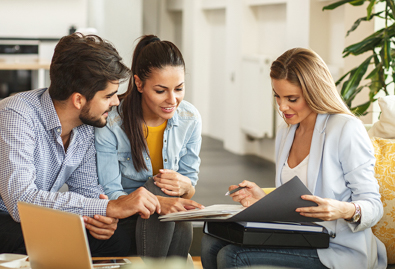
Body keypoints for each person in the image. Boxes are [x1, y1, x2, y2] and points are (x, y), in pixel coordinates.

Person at [201, 48, 387, 269]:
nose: (282, 107)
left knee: (232, 256)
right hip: (300, 236)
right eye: (277, 96)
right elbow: (297, 197)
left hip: (337, 247)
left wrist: (343, 210)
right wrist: (263, 199)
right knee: (210, 242)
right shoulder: (287, 131)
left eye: (292, 98)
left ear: (314, 92)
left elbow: (374, 206)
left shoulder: (345, 129)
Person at [0, 33, 160, 257]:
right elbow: (21, 202)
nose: (115, 102)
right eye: (108, 96)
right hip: (7, 218)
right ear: (78, 100)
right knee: (39, 236)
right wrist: (108, 207)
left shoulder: (85, 126)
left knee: (118, 237)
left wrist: (102, 218)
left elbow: (87, 190)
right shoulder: (16, 114)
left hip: (39, 219)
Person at [95, 35, 204, 259]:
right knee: (155, 188)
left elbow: (189, 187)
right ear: (139, 83)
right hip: (127, 216)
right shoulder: (112, 123)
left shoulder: (190, 118)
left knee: (175, 208)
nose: (172, 100)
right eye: (161, 90)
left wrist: (184, 186)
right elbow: (110, 192)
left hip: (168, 218)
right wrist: (157, 201)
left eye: (179, 89)